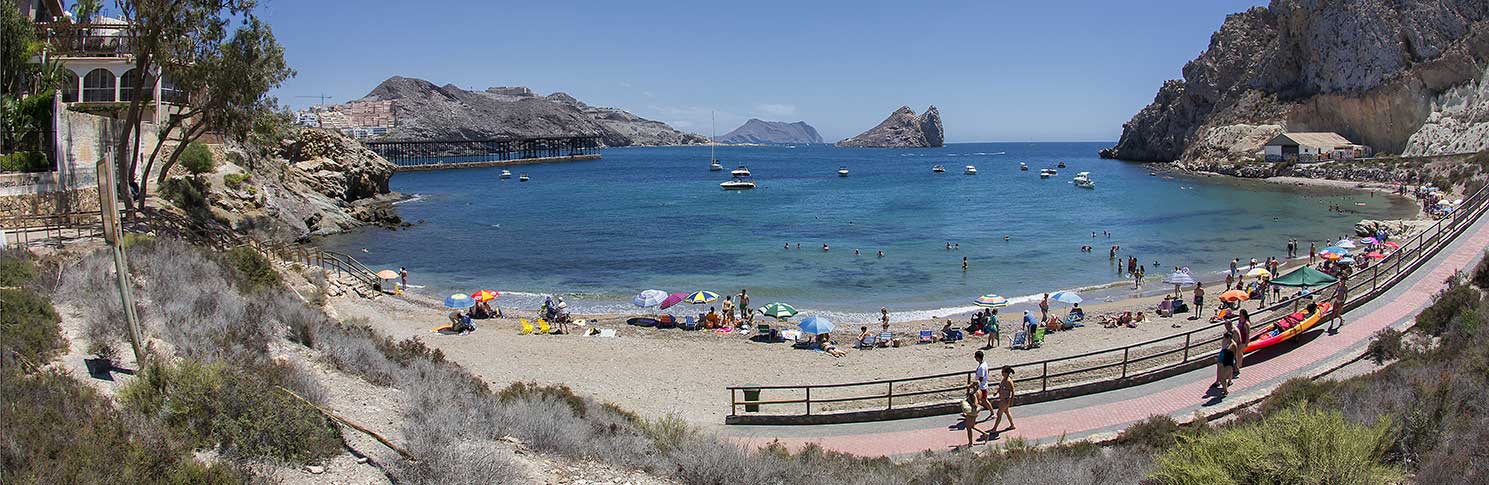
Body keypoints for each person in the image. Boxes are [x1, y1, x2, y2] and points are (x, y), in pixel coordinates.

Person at [973, 351, 996, 422]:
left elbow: (981, 377)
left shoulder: (981, 367)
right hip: (982, 386)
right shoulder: (984, 364)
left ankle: (992, 413)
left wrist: (976, 385)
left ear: (978, 357)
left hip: (981, 387)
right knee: (981, 400)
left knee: (982, 400)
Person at [991, 366, 1016, 433]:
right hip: (1002, 399)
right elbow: (1001, 387)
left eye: (1003, 372)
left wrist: (1011, 401)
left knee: (999, 414)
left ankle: (994, 428)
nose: (1001, 373)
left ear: (1006, 373)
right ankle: (1012, 425)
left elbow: (1013, 391)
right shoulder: (1004, 379)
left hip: (1005, 400)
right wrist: (997, 392)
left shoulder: (1008, 381)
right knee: (1006, 412)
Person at [961, 381, 984, 447]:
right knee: (972, 426)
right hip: (975, 412)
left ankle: (970, 443)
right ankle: (985, 434)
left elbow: (975, 404)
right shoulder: (979, 391)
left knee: (969, 428)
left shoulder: (973, 394)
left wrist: (969, 406)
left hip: (972, 412)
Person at [1214, 331, 1237, 396]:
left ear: (1229, 338)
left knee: (1222, 378)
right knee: (1222, 377)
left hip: (1227, 362)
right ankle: (1225, 390)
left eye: (1225, 338)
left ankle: (1226, 391)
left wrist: (1235, 363)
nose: (1224, 339)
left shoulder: (1232, 345)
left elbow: (1233, 354)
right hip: (1223, 361)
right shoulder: (1226, 343)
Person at [1235, 309, 1251, 377]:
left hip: (1243, 340)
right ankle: (1238, 365)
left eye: (1241, 314)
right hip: (1239, 339)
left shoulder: (1246, 323)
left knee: (1239, 352)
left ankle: (1239, 365)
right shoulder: (1239, 321)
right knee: (1238, 352)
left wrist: (1247, 342)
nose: (1239, 315)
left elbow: (1247, 334)